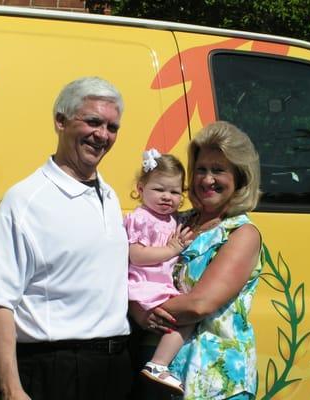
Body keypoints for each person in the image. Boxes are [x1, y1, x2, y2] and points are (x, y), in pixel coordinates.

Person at [0, 76, 132, 400]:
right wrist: (12, 389)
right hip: (56, 370)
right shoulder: (26, 200)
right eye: (93, 121)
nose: (102, 135)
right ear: (60, 121)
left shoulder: (109, 194)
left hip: (114, 368)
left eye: (112, 127)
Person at [130, 121, 264, 400]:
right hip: (164, 379)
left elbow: (200, 303)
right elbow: (134, 268)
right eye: (201, 169)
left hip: (215, 381)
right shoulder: (178, 220)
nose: (207, 179)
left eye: (218, 170)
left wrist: (144, 306)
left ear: (240, 177)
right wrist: (137, 308)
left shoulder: (241, 233)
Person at [124, 149, 194, 395]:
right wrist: (171, 249)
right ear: (141, 189)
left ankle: (160, 363)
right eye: (159, 190)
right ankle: (158, 364)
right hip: (146, 284)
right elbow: (137, 255)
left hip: (160, 286)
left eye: (175, 192)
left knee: (183, 321)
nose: (167, 197)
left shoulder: (173, 220)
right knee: (187, 317)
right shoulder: (141, 218)